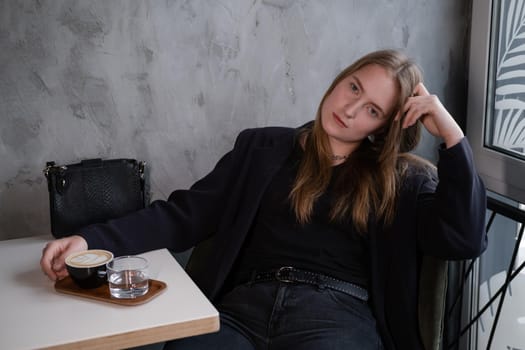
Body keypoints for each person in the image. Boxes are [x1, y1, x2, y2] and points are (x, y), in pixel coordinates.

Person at [40, 49, 487, 350]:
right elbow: (184, 215)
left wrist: (452, 135)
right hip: (242, 310)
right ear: (340, 80)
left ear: (383, 127)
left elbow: (463, 238)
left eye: (372, 109)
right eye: (353, 88)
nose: (351, 109)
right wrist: (90, 241)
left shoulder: (401, 181)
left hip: (335, 318)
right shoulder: (262, 149)